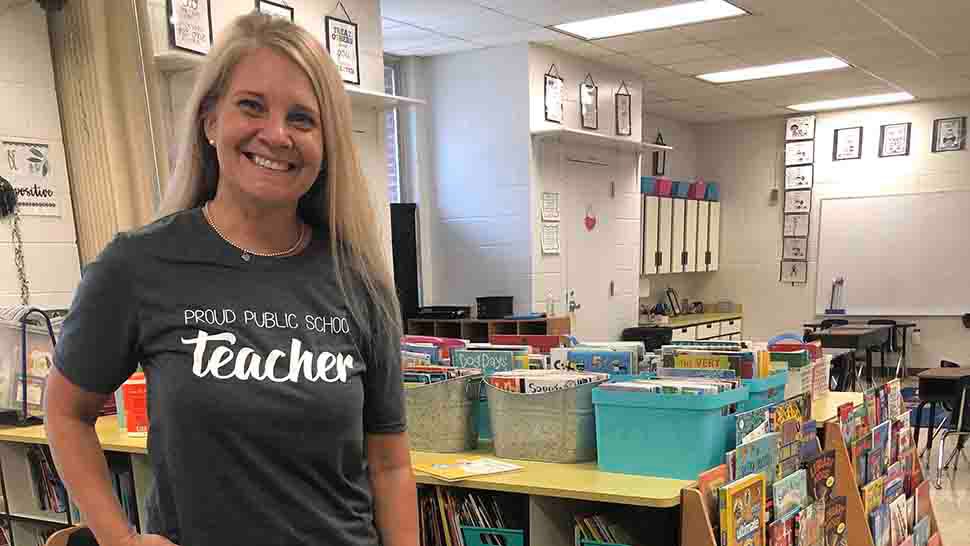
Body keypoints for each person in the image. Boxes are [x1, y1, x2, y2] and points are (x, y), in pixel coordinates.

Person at [44, 12, 417, 546]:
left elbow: (390, 466)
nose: (277, 134)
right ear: (210, 120)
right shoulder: (140, 265)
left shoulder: (359, 280)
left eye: (303, 119)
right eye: (252, 106)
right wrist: (118, 539)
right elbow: (64, 412)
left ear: (327, 145)